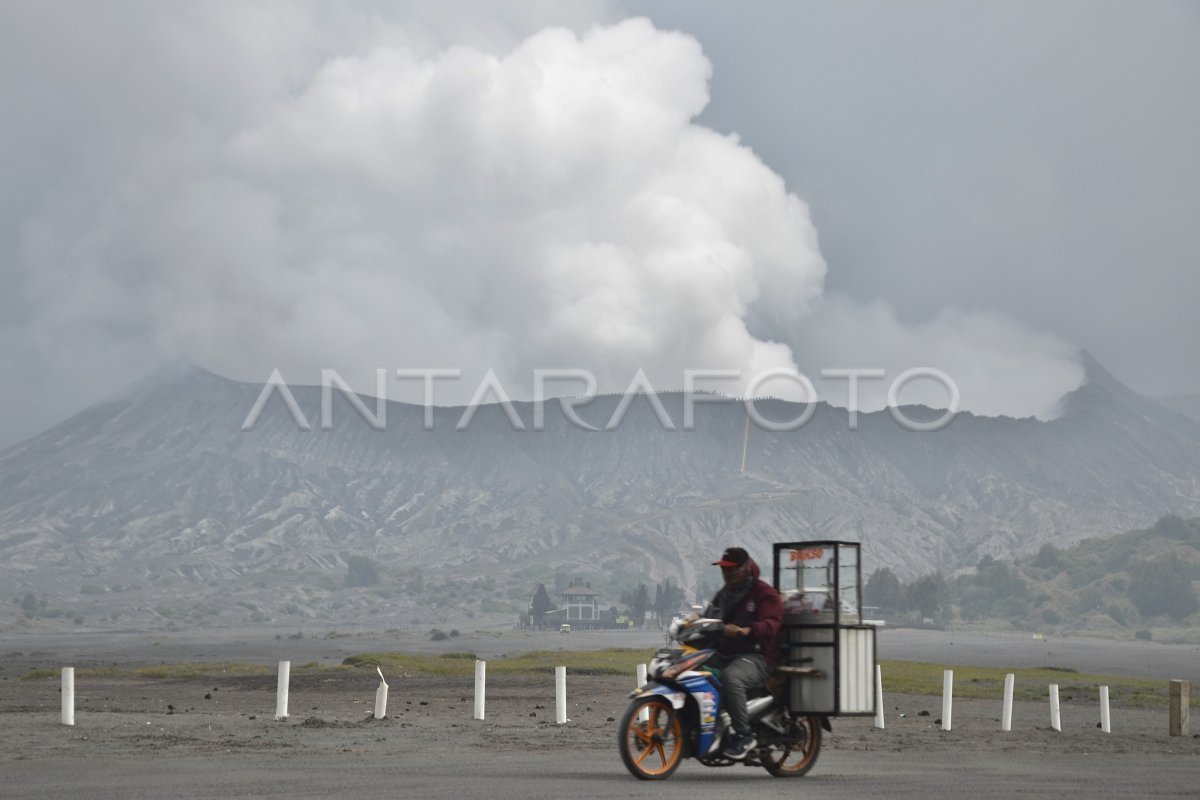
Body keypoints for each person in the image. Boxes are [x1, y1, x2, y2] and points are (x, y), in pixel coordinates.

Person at [700, 546, 782, 760]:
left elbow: (772, 624)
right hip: (725, 652)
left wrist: (747, 630)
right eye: (724, 569)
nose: (727, 574)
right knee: (693, 669)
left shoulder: (764, 593)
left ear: (746, 568)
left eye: (732, 569)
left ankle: (744, 735)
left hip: (757, 656)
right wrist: (695, 620)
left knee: (731, 677)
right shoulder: (724, 594)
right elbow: (710, 616)